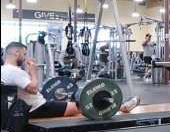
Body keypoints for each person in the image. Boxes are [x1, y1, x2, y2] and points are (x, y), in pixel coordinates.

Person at [1, 42, 140, 119]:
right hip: (38, 107)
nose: (25, 58)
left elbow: (22, 88)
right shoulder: (14, 71)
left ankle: (120, 106)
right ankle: (122, 107)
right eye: (24, 54)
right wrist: (33, 71)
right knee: (83, 105)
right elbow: (33, 89)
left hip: (26, 108)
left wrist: (27, 72)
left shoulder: (4, 70)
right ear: (16, 53)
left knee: (72, 99)